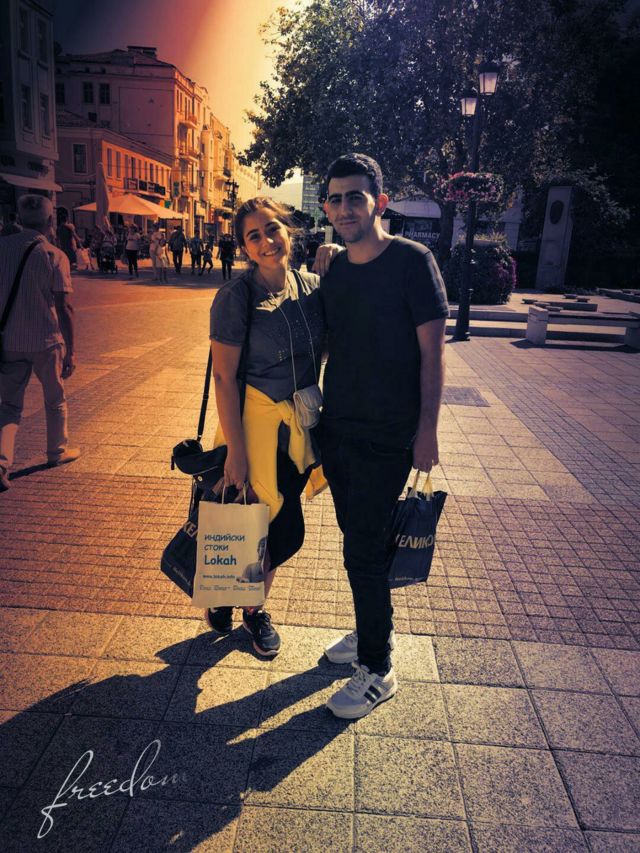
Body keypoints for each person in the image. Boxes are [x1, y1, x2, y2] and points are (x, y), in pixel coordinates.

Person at [318, 154, 449, 719]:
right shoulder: (334, 268)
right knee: (358, 542)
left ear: (380, 202)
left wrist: (428, 432)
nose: (345, 208)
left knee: (364, 550)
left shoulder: (413, 261)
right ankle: (372, 627)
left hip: (388, 435)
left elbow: (432, 356)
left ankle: (378, 667)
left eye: (356, 197)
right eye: (335, 198)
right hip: (337, 428)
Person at [207, 197, 326, 656]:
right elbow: (223, 377)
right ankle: (251, 608)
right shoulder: (236, 296)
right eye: (253, 236)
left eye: (272, 228)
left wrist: (338, 259)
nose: (266, 241)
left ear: (288, 230)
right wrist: (235, 452)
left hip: (298, 424)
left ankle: (230, 591)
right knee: (254, 517)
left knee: (277, 525)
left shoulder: (312, 286)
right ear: (244, 247)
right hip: (253, 424)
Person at [0, 195, 81, 492]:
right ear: (50, 221)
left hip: (9, 340)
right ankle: (57, 452)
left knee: (9, 405)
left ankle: (1, 463)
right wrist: (71, 351)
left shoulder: (2, 248)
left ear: (19, 219)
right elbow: (64, 306)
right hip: (46, 340)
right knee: (54, 399)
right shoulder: (53, 255)